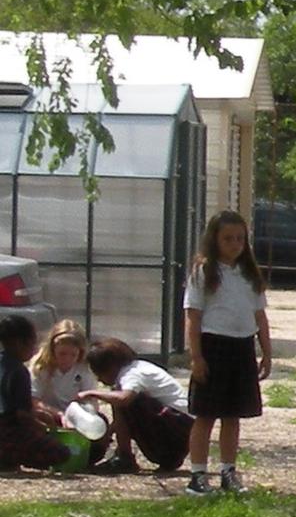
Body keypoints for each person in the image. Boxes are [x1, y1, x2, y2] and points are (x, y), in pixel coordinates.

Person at [182, 209, 274, 495]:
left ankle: (228, 471)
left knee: (233, 415)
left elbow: (260, 315)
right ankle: (197, 474)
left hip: (241, 347)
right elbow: (193, 316)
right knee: (206, 415)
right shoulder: (204, 271)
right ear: (214, 240)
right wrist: (196, 356)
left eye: (239, 239)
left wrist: (267, 352)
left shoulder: (249, 274)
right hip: (213, 346)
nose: (235, 244)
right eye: (228, 239)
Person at [85, 339, 195, 473]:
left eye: (98, 374)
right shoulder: (139, 366)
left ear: (109, 367)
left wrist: (93, 393)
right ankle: (124, 455)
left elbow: (124, 399)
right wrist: (108, 433)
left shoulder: (131, 375)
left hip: (177, 430)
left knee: (122, 399)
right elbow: (124, 419)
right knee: (119, 397)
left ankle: (125, 458)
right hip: (180, 427)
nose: (99, 379)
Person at [0, 315, 70, 470]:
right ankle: (8, 455)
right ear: (20, 343)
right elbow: (21, 415)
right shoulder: (18, 371)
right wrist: (43, 427)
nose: (34, 348)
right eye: (32, 343)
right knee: (61, 452)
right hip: (6, 430)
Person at [32, 320, 101, 410]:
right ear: (52, 350)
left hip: (76, 414)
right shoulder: (41, 367)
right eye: (62, 353)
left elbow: (91, 400)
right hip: (48, 413)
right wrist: (59, 415)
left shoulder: (84, 368)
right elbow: (33, 400)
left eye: (73, 355)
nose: (67, 359)